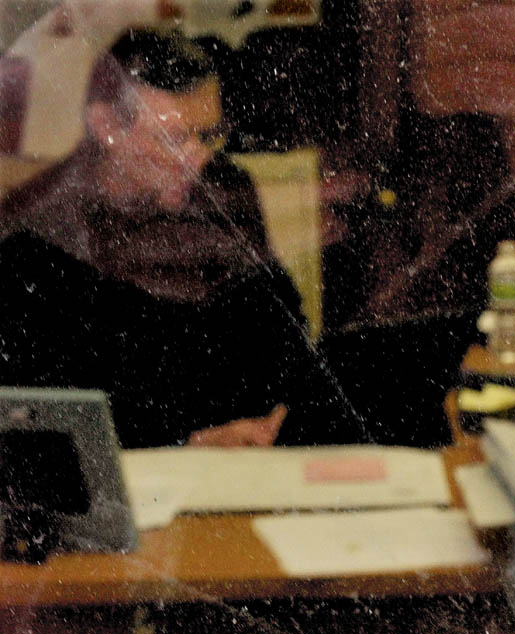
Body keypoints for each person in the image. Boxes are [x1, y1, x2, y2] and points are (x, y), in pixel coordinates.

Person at [0, 22, 366, 449]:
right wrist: (187, 442)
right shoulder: (38, 237)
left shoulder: (221, 185)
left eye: (208, 135)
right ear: (107, 125)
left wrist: (284, 413)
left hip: (252, 453)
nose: (197, 159)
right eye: (174, 139)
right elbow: (46, 417)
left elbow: (281, 326)